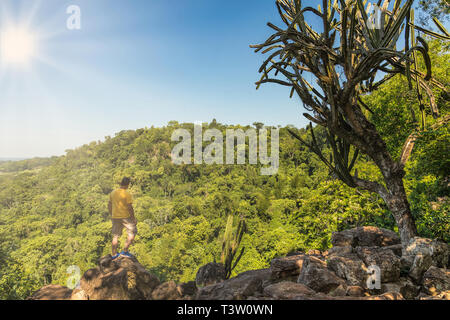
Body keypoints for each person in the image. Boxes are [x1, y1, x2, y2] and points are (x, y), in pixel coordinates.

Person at [108, 177, 137, 259]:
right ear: (128, 185)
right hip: (125, 217)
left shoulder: (113, 193)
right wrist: (133, 218)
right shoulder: (127, 194)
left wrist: (111, 214)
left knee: (115, 236)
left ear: (120, 183)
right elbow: (130, 207)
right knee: (132, 232)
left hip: (115, 217)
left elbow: (109, 205)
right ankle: (125, 251)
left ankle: (114, 254)